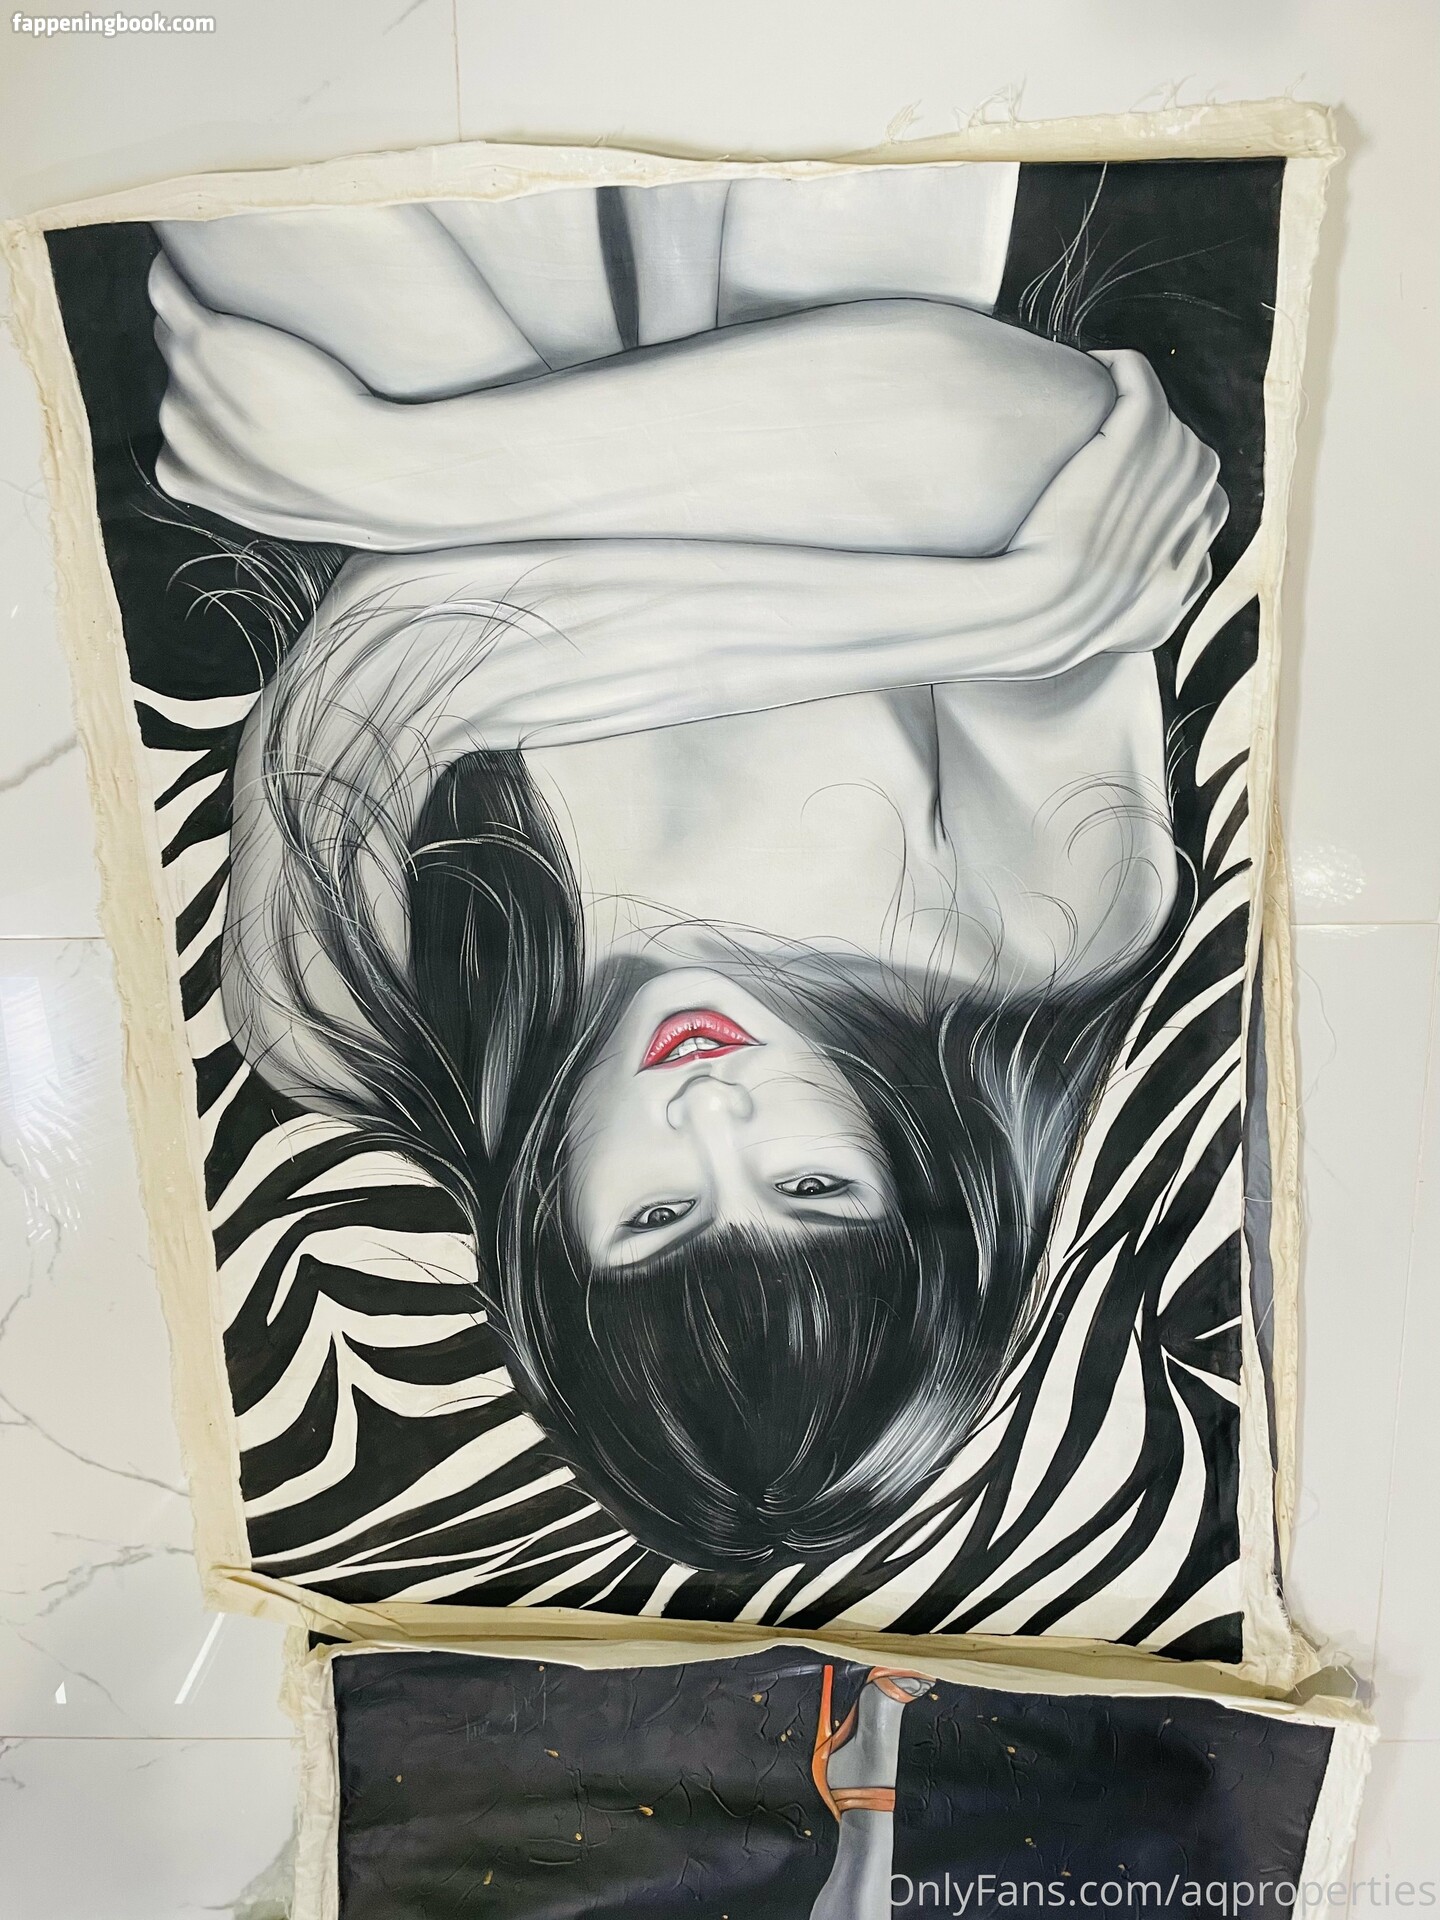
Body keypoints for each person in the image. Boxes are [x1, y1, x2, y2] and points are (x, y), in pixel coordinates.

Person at [147, 174, 1226, 1574]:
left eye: (660, 1213)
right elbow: (992, 421)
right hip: (789, 282)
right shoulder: (1045, 926)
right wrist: (398, 478)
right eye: (811, 1185)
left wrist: (1006, 605)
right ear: (914, 1184)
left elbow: (369, 645)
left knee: (281, 183)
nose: (714, 1111)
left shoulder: (342, 1021)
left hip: (459, 334)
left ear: (555, 1252)